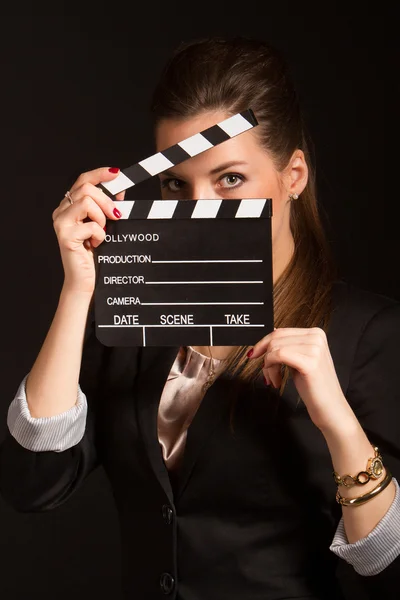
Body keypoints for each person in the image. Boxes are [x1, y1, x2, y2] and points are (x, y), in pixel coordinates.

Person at [0, 35, 399, 600]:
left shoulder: (370, 334)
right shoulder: (136, 317)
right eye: (174, 184)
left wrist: (337, 422)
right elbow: (32, 484)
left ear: (293, 176)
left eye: (230, 179)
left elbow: (390, 571)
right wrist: (77, 290)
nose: (199, 207)